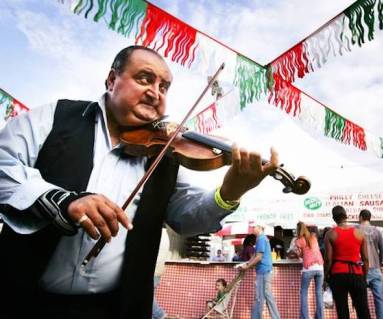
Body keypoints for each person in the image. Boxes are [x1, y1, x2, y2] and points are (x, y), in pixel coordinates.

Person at [0, 45, 280, 319]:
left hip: (116, 309)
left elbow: (186, 217)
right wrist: (64, 201)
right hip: (24, 302)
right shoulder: (53, 118)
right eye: (144, 79)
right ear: (112, 80)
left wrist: (230, 192)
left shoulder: (166, 154)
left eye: (164, 87)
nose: (155, 93)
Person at [324, 205, 370, 319]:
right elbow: (365, 259)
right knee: (363, 310)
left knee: (342, 311)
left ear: (334, 218)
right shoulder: (359, 233)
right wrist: (364, 276)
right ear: (346, 216)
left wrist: (325, 277)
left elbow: (328, 259)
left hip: (338, 275)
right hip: (357, 273)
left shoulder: (330, 234)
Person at [240, 223, 281, 319]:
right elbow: (255, 255)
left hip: (263, 271)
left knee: (261, 297)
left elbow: (258, 257)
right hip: (264, 271)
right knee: (263, 296)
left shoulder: (261, 239)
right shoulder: (262, 238)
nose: (252, 229)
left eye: (254, 227)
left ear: (259, 227)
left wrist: (247, 266)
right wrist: (247, 264)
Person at [358, 209, 383, 319]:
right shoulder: (377, 231)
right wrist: (379, 263)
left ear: (360, 217)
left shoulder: (356, 230)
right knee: (379, 299)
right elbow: (382, 250)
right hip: (375, 268)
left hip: (360, 268)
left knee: (361, 300)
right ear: (370, 218)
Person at [295, 221, 324, 319]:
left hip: (308, 268)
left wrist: (296, 254)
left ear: (298, 230)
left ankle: (304, 317)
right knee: (319, 293)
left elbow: (301, 254)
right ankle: (320, 317)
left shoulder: (299, 240)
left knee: (304, 292)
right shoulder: (314, 237)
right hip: (320, 267)